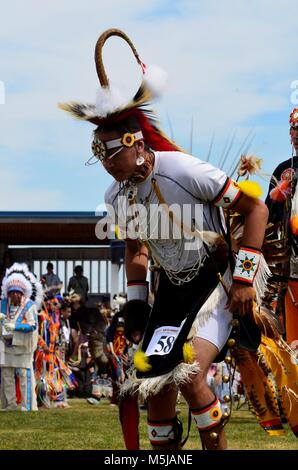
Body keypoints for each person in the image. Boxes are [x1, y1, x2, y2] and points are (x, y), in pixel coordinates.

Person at [60, 28, 269, 450]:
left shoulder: (182, 170)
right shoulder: (116, 196)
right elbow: (136, 250)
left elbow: (256, 208)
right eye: (98, 155)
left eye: (112, 153)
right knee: (152, 386)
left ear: (136, 143)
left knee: (190, 373)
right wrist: (137, 304)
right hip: (172, 292)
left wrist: (245, 281)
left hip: (217, 283)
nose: (106, 165)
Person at [265, 108, 298, 351]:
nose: (297, 134)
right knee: (293, 338)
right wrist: (277, 197)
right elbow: (268, 216)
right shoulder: (283, 170)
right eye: (294, 129)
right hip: (291, 260)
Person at [0, 263, 43, 411]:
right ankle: (9, 404)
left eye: (17, 292)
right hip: (5, 346)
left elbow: (33, 325)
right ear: (8, 293)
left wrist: (16, 327)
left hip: (23, 346)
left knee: (25, 375)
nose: (14, 295)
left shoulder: (29, 305)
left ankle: (28, 405)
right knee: (6, 375)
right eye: (11, 292)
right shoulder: (2, 304)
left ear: (22, 293)